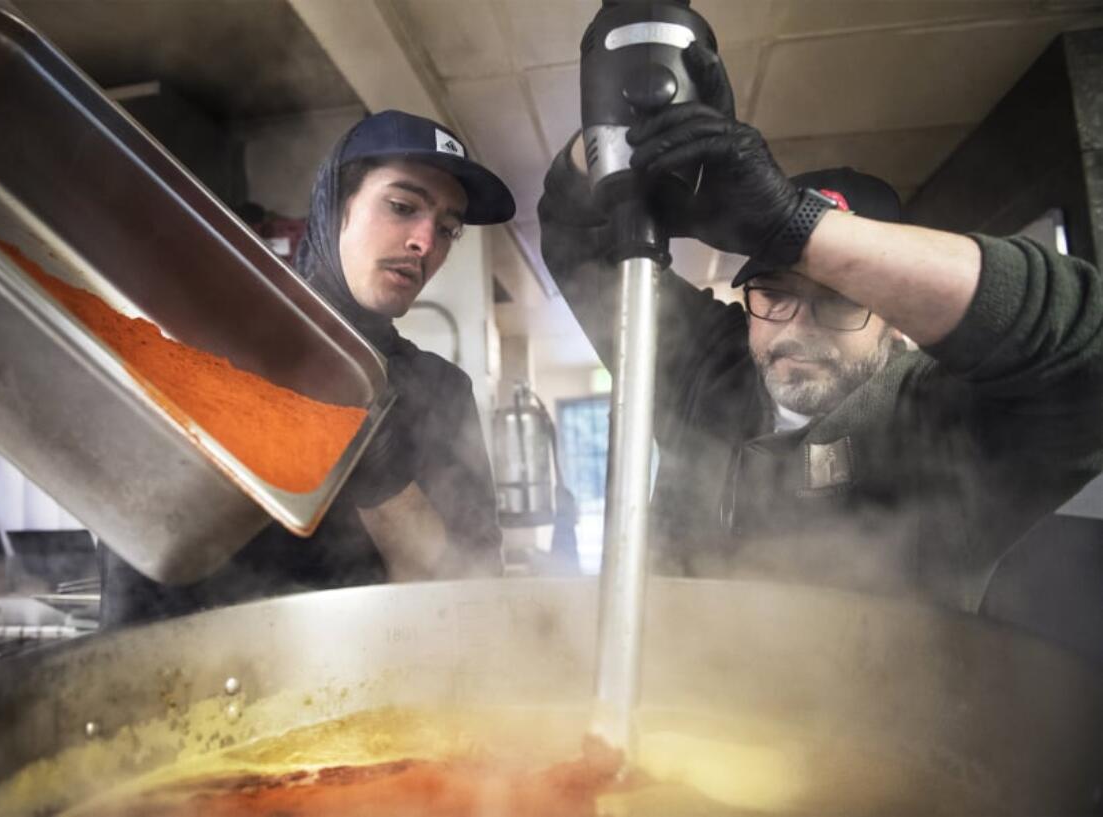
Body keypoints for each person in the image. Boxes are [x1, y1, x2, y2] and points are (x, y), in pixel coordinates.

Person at [538, 49, 1103, 612]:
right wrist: (614, 142)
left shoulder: (945, 415)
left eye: (840, 300)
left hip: (874, 700)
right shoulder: (707, 367)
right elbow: (575, 242)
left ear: (895, 316)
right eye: (775, 293)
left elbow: (1086, 352)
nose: (796, 329)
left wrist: (798, 229)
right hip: (669, 690)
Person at [101, 109, 516, 625]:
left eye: (448, 229)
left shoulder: (440, 390)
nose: (425, 243)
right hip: (216, 686)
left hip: (384, 691)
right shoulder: (217, 354)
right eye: (403, 206)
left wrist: (381, 472)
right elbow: (142, 566)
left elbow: (473, 594)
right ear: (336, 207)